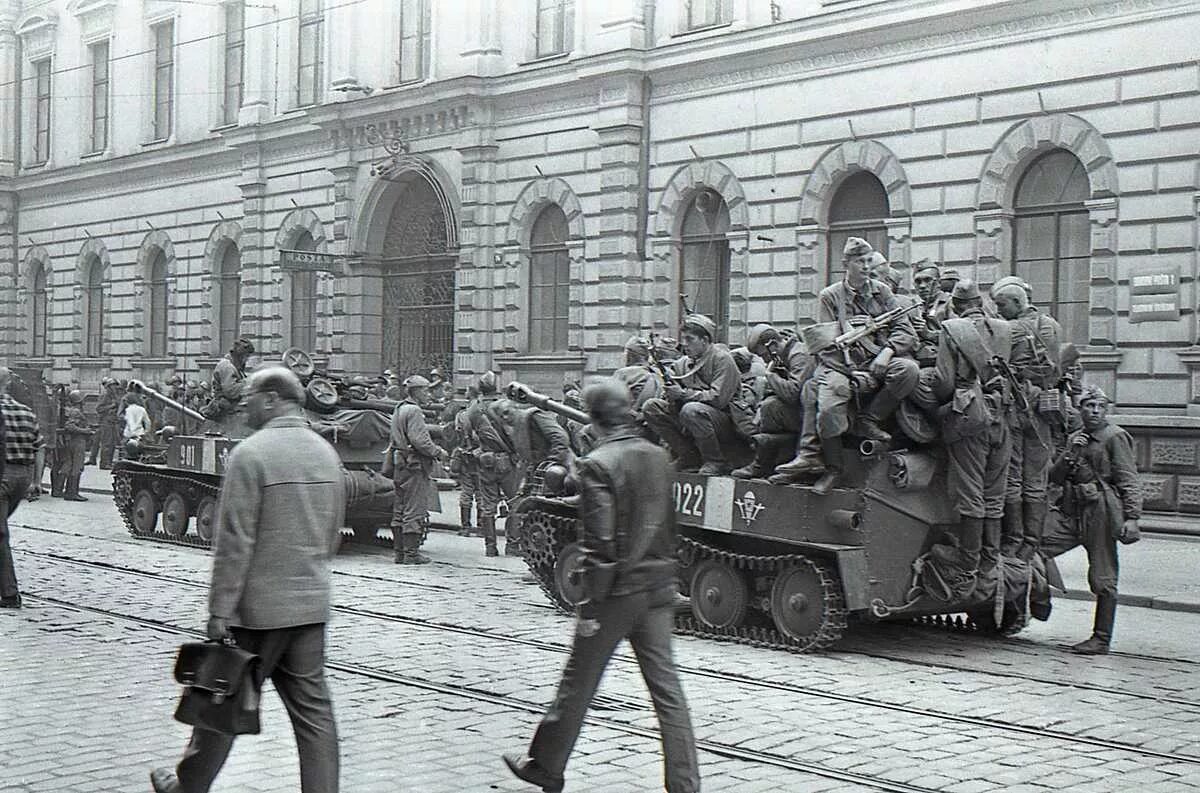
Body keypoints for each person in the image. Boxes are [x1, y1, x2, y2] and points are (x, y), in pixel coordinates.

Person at [502, 378, 699, 793]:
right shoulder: (659, 457)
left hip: (616, 594)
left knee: (579, 682)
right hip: (657, 588)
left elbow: (600, 544)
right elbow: (670, 527)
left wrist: (590, 608)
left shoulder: (597, 463)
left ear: (592, 419)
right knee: (667, 691)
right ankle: (685, 785)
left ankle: (545, 766)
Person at [773, 237, 920, 493]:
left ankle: (869, 419)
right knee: (828, 407)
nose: (865, 266)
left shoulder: (882, 292)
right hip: (840, 365)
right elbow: (825, 346)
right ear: (846, 264)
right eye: (859, 261)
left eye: (867, 261)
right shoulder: (830, 297)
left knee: (908, 370)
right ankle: (834, 468)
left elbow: (905, 330)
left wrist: (886, 352)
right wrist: (852, 369)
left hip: (877, 360)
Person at [924, 280, 1031, 584]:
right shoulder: (1005, 328)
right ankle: (990, 560)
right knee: (994, 492)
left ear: (956, 306)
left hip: (971, 419)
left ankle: (968, 562)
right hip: (1003, 418)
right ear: (981, 303)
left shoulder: (952, 329)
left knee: (970, 492)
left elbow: (944, 382)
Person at [1043, 385, 1141, 655]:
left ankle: (1101, 638)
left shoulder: (1115, 437)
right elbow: (1055, 476)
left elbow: (1128, 478)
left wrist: (1132, 517)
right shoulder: (1076, 437)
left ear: (1106, 409)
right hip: (1072, 511)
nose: (1095, 411)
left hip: (1101, 511)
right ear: (1081, 408)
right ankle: (1038, 599)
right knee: (1036, 547)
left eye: (1100, 407)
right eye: (1089, 406)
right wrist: (1069, 453)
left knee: (1103, 576)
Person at [992, 278, 1060, 561]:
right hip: (1045, 409)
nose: (997, 310)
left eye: (1002, 304)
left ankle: (1015, 539)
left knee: (1013, 476)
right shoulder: (1051, 325)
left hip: (1017, 409)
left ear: (1018, 303)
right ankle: (1032, 542)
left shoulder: (1009, 330)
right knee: (1036, 477)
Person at [641, 314, 741, 475]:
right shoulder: (683, 363)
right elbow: (675, 396)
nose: (685, 344)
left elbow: (718, 399)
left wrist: (682, 394)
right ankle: (688, 455)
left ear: (705, 340)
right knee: (652, 407)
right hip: (695, 417)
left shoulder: (722, 360)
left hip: (725, 420)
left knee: (691, 409)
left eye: (690, 339)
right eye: (684, 339)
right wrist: (671, 395)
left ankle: (715, 461)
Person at [733, 324, 810, 479]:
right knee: (767, 406)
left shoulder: (798, 354)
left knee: (771, 407)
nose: (763, 360)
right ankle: (769, 462)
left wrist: (770, 375)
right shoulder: (783, 356)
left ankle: (767, 464)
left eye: (763, 355)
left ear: (773, 345)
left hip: (810, 415)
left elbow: (793, 394)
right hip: (800, 413)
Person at [387, 375, 445, 565]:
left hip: (401, 464)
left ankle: (399, 553)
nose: (428, 394)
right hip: (414, 465)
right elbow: (420, 440)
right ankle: (411, 555)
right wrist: (437, 451)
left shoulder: (399, 408)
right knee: (414, 508)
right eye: (425, 390)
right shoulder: (414, 411)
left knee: (400, 509)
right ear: (417, 391)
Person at [0, 366, 45, 609]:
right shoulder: (26, 411)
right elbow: (40, 447)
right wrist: (36, 481)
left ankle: (9, 594)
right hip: (22, 476)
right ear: (8, 384)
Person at [462, 371, 519, 557]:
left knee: (487, 506)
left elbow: (467, 435)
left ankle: (490, 548)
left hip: (485, 461)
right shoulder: (504, 406)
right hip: (506, 461)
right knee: (514, 503)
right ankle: (512, 546)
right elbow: (514, 433)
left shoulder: (473, 409)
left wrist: (478, 450)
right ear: (496, 387)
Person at [204, 337, 255, 420]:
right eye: (246, 356)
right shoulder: (226, 366)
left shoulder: (235, 366)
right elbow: (231, 391)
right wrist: (249, 382)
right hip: (225, 412)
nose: (247, 359)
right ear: (240, 354)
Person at [59, 390, 94, 502]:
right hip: (78, 441)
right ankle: (72, 492)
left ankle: (69, 491)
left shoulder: (75, 411)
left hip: (75, 441)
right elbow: (69, 426)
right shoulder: (76, 412)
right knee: (77, 467)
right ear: (79, 401)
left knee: (71, 466)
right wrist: (85, 431)